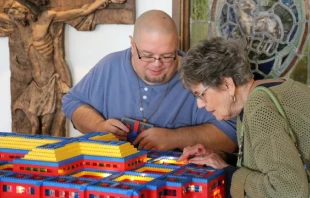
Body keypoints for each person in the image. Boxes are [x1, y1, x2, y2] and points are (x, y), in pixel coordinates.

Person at [62, 10, 237, 152]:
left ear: (177, 44)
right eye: (147, 56)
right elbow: (72, 103)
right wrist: (98, 126)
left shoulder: (198, 76)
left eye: (167, 56)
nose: (157, 64)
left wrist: (174, 138)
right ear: (132, 45)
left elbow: (231, 136)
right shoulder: (110, 66)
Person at [178, 37, 310, 197]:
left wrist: (228, 172)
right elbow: (269, 161)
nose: (199, 104)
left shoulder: (259, 107)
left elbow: (289, 190)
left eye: (200, 94)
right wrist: (220, 157)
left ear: (227, 84)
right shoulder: (263, 92)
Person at [0, 0, 122, 136]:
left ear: (23, 10)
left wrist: (104, 1)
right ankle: (30, 155)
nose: (12, 17)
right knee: (33, 126)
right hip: (34, 86)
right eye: (10, 14)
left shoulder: (47, 17)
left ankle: (47, 152)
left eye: (13, 13)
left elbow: (82, 11)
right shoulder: (20, 26)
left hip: (49, 84)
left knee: (46, 128)